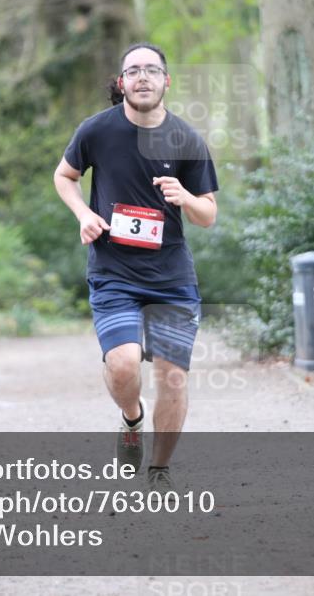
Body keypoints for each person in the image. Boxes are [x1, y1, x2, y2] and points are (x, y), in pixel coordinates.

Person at [53, 43, 218, 492]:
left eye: (152, 70)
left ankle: (160, 470)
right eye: (133, 70)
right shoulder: (96, 131)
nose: (142, 77)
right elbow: (64, 176)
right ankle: (131, 419)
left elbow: (208, 214)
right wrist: (84, 215)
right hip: (114, 273)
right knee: (125, 365)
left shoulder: (186, 139)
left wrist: (185, 198)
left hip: (171, 277)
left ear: (167, 81)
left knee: (172, 376)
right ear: (121, 82)